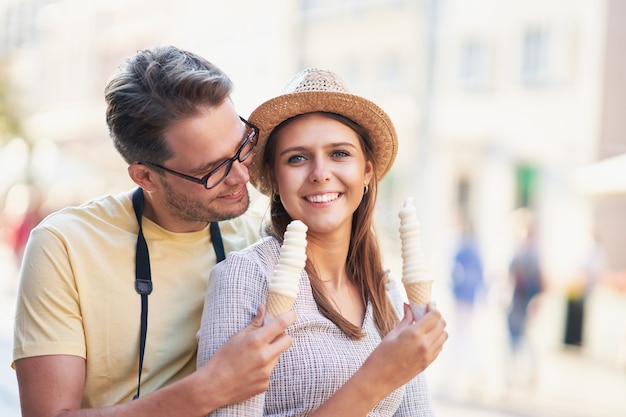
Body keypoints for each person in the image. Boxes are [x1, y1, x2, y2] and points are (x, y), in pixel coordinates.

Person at [12, 45, 296, 417]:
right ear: (145, 176)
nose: (242, 175)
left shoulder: (261, 241)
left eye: (243, 144)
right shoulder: (64, 246)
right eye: (212, 170)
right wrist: (208, 389)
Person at [197, 68, 448, 416]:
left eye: (340, 154)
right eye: (297, 158)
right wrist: (376, 379)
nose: (319, 172)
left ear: (367, 172)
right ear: (274, 176)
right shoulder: (245, 279)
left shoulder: (386, 293)